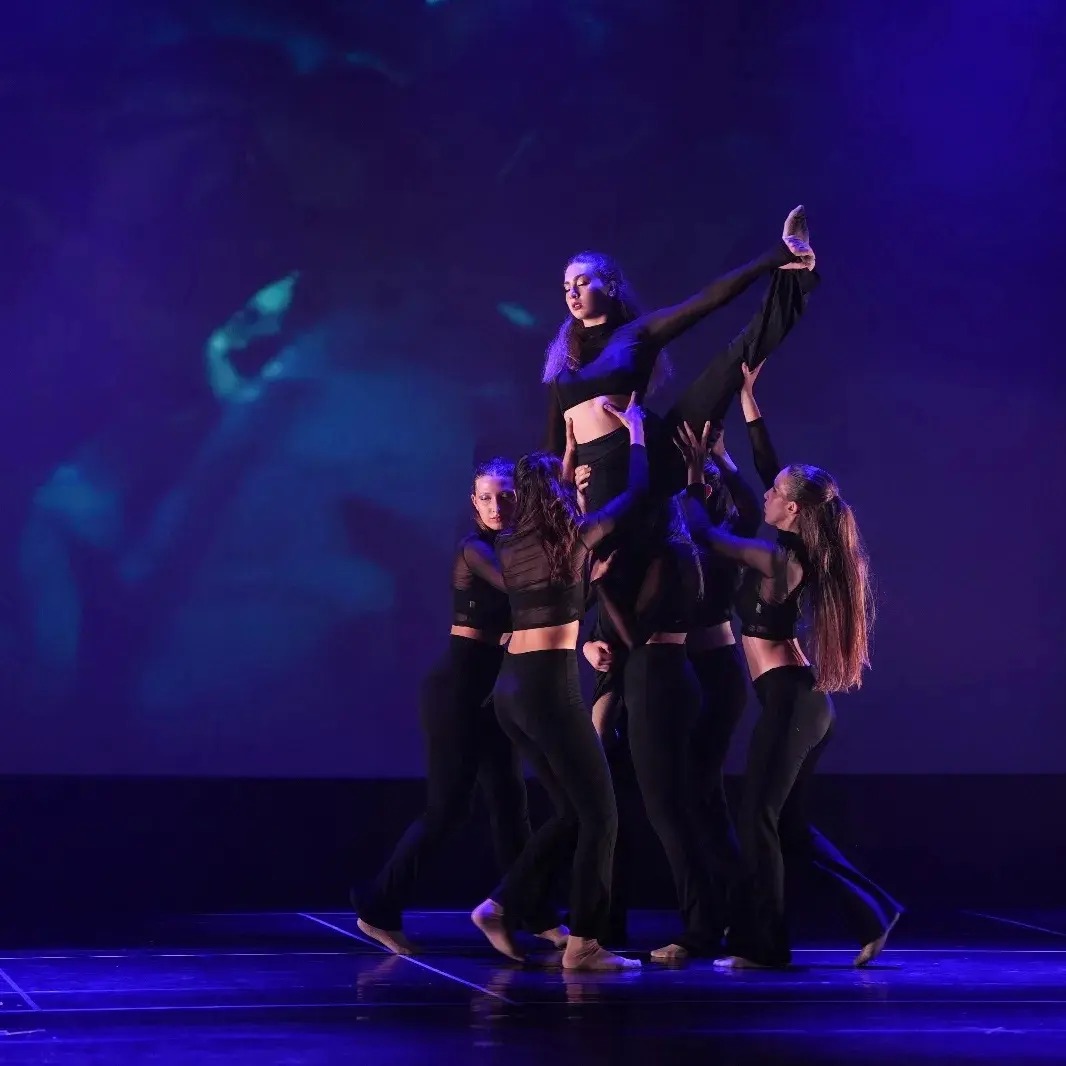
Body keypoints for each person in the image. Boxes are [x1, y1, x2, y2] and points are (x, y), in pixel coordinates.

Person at [675, 366, 902, 970]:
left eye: (775, 493)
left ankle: (765, 947)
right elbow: (770, 470)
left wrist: (695, 472)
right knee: (788, 826)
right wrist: (747, 410)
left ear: (793, 509)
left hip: (792, 702)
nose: (766, 494)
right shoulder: (794, 541)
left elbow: (703, 533)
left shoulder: (776, 557)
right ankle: (875, 912)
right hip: (796, 701)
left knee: (758, 819)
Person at [352, 459, 566, 955]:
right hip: (457, 689)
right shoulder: (475, 549)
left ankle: (532, 912)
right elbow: (526, 592)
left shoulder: (517, 548)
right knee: (448, 808)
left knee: (510, 804)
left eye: (506, 496)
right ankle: (377, 907)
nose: (496, 506)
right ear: (474, 504)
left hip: (493, 689)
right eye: (486, 498)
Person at [470, 394, 647, 971]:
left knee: (573, 812)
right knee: (602, 816)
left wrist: (565, 461)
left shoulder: (512, 544)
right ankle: (585, 943)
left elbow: (556, 595)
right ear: (560, 496)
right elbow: (636, 493)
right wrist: (636, 435)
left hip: (511, 691)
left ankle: (500, 905)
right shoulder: (576, 537)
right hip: (549, 691)